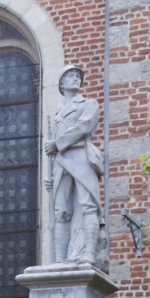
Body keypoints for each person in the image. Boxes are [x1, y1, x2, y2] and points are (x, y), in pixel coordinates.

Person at [44, 65, 104, 265]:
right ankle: (60, 258)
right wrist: (50, 174)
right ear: (61, 83)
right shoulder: (58, 111)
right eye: (70, 76)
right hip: (61, 163)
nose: (75, 79)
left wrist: (57, 144)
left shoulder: (89, 104)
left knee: (88, 205)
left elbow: (84, 126)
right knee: (60, 211)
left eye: (77, 76)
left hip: (80, 158)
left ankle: (88, 252)